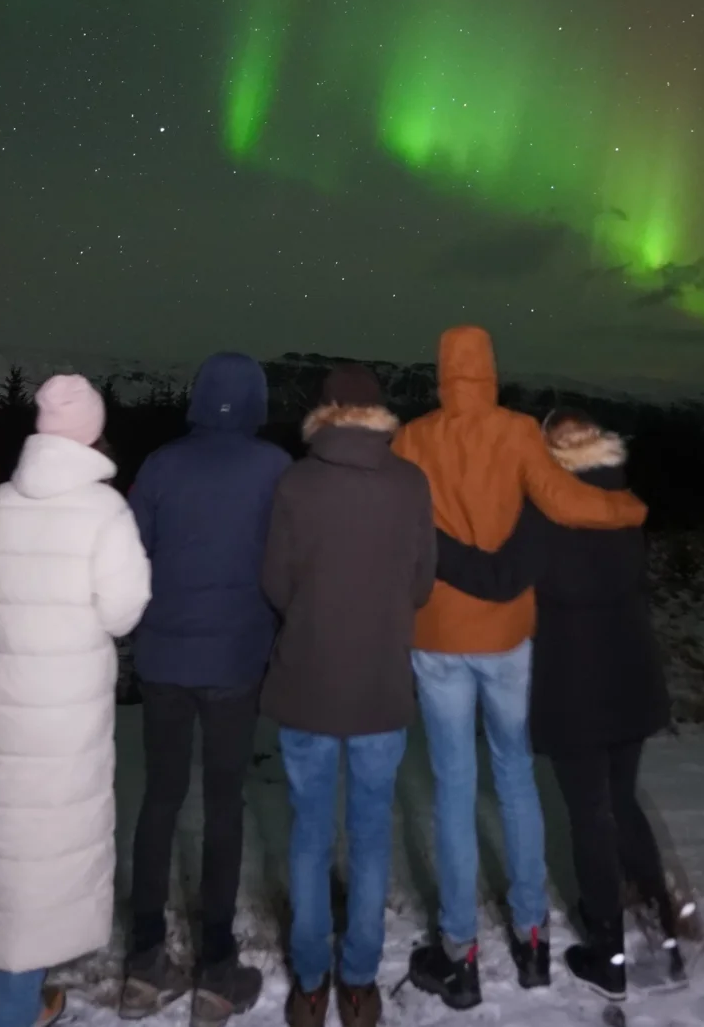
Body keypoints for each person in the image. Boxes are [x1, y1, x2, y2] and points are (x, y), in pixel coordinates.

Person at [394, 326, 647, 1010]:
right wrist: (625, 507)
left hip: (437, 635)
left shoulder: (412, 438)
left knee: (452, 785)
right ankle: (533, 940)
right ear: (491, 372)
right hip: (509, 637)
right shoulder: (518, 434)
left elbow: (396, 523)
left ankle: (460, 950)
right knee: (514, 776)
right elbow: (567, 503)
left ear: (442, 374)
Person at [432, 410, 696, 1005]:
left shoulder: (550, 515)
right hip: (632, 678)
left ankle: (609, 955)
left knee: (591, 816)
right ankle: (665, 944)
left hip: (578, 687)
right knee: (622, 804)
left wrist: (433, 540)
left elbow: (497, 576)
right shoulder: (624, 506)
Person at [0, 375, 153, 1027]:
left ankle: (13, 990)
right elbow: (124, 612)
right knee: (43, 844)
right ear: (93, 431)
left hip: (4, 693)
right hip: (68, 706)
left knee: (9, 841)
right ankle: (10, 1006)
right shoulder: (105, 512)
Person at [260, 364, 437, 1027]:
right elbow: (422, 583)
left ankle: (310, 982)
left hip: (307, 678)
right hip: (380, 686)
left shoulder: (296, 481)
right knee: (369, 835)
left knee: (308, 835)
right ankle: (358, 981)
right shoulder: (410, 483)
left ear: (325, 413)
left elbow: (275, 581)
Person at [121, 353, 291, 1020]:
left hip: (164, 657)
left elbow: (133, 551)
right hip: (236, 661)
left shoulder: (162, 464)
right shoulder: (274, 468)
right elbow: (285, 559)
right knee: (224, 804)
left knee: (160, 799)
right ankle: (217, 969)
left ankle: (143, 960)